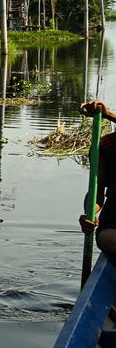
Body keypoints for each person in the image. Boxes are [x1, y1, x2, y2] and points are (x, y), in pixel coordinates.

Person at [78, 99, 116, 254]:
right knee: (106, 238)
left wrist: (107, 114)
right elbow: (97, 191)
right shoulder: (104, 147)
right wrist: (90, 214)